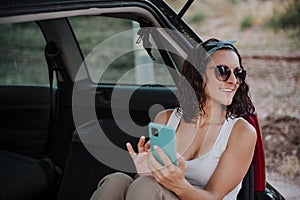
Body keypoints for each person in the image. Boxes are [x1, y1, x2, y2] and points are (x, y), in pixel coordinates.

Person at [90, 38, 257, 200]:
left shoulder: (241, 132)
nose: (233, 81)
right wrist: (146, 172)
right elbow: (154, 185)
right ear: (197, 75)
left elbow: (214, 197)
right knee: (116, 182)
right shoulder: (166, 119)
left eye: (239, 73)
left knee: (145, 186)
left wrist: (179, 184)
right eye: (223, 71)